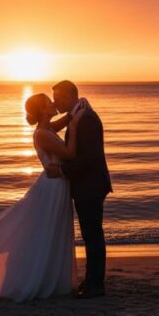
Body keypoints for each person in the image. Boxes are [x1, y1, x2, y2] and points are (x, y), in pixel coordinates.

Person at [0, 93, 83, 301]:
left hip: (56, 185)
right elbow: (69, 155)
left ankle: (51, 278)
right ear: (43, 110)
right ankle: (38, 279)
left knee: (53, 232)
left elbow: (61, 123)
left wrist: (73, 112)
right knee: (47, 232)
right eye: (49, 102)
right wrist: (76, 125)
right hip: (52, 188)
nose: (53, 103)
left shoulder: (48, 129)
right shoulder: (42, 134)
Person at [44, 80, 112, 298]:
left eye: (59, 97)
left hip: (91, 185)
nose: (55, 102)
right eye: (53, 98)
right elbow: (47, 129)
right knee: (90, 234)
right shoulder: (78, 115)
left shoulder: (87, 119)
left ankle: (96, 286)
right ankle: (91, 280)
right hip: (86, 184)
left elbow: (89, 157)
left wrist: (62, 171)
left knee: (92, 235)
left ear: (71, 96)